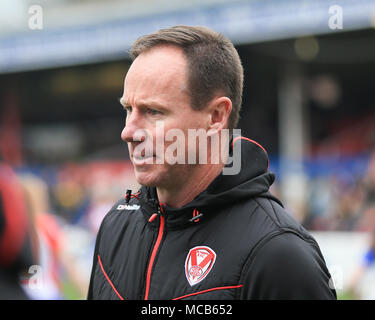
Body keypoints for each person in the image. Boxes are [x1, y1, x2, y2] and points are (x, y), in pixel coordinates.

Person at [87, 25, 336, 300]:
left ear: (216, 116)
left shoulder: (278, 254)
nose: (128, 132)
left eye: (153, 111)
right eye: (128, 109)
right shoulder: (116, 224)